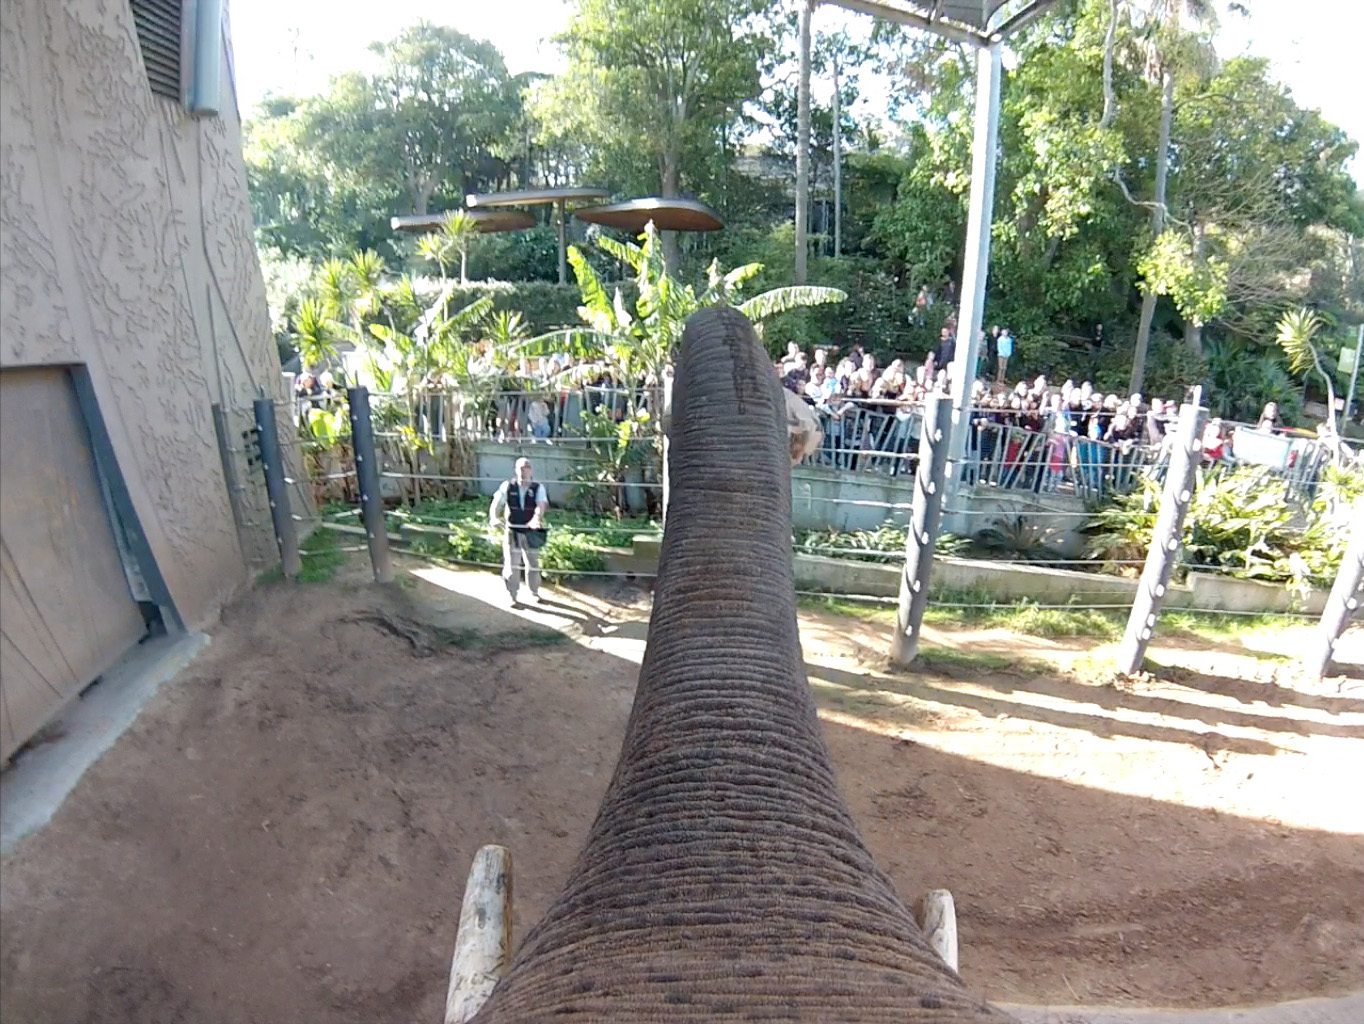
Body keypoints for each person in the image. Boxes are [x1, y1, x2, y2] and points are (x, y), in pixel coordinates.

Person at [489, 457, 548, 605]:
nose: (523, 471)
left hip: (531, 531)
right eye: (520, 468)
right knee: (512, 564)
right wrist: (494, 517)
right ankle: (512, 595)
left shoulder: (538, 487)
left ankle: (534, 592)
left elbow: (541, 505)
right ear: (515, 470)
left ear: (531, 470)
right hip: (512, 530)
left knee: (533, 563)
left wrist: (536, 518)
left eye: (526, 467)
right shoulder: (507, 486)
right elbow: (496, 503)